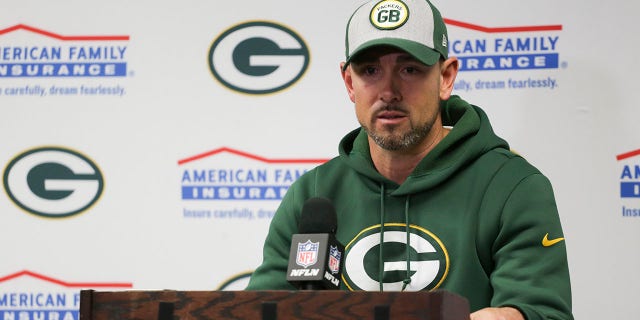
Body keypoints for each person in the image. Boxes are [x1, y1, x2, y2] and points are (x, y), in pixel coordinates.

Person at [246, 0, 573, 319]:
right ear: (349, 83)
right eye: (370, 70)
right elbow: (260, 309)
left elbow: (541, 311)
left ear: (445, 77)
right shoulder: (312, 195)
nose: (388, 91)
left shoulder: (511, 187)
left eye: (409, 69)